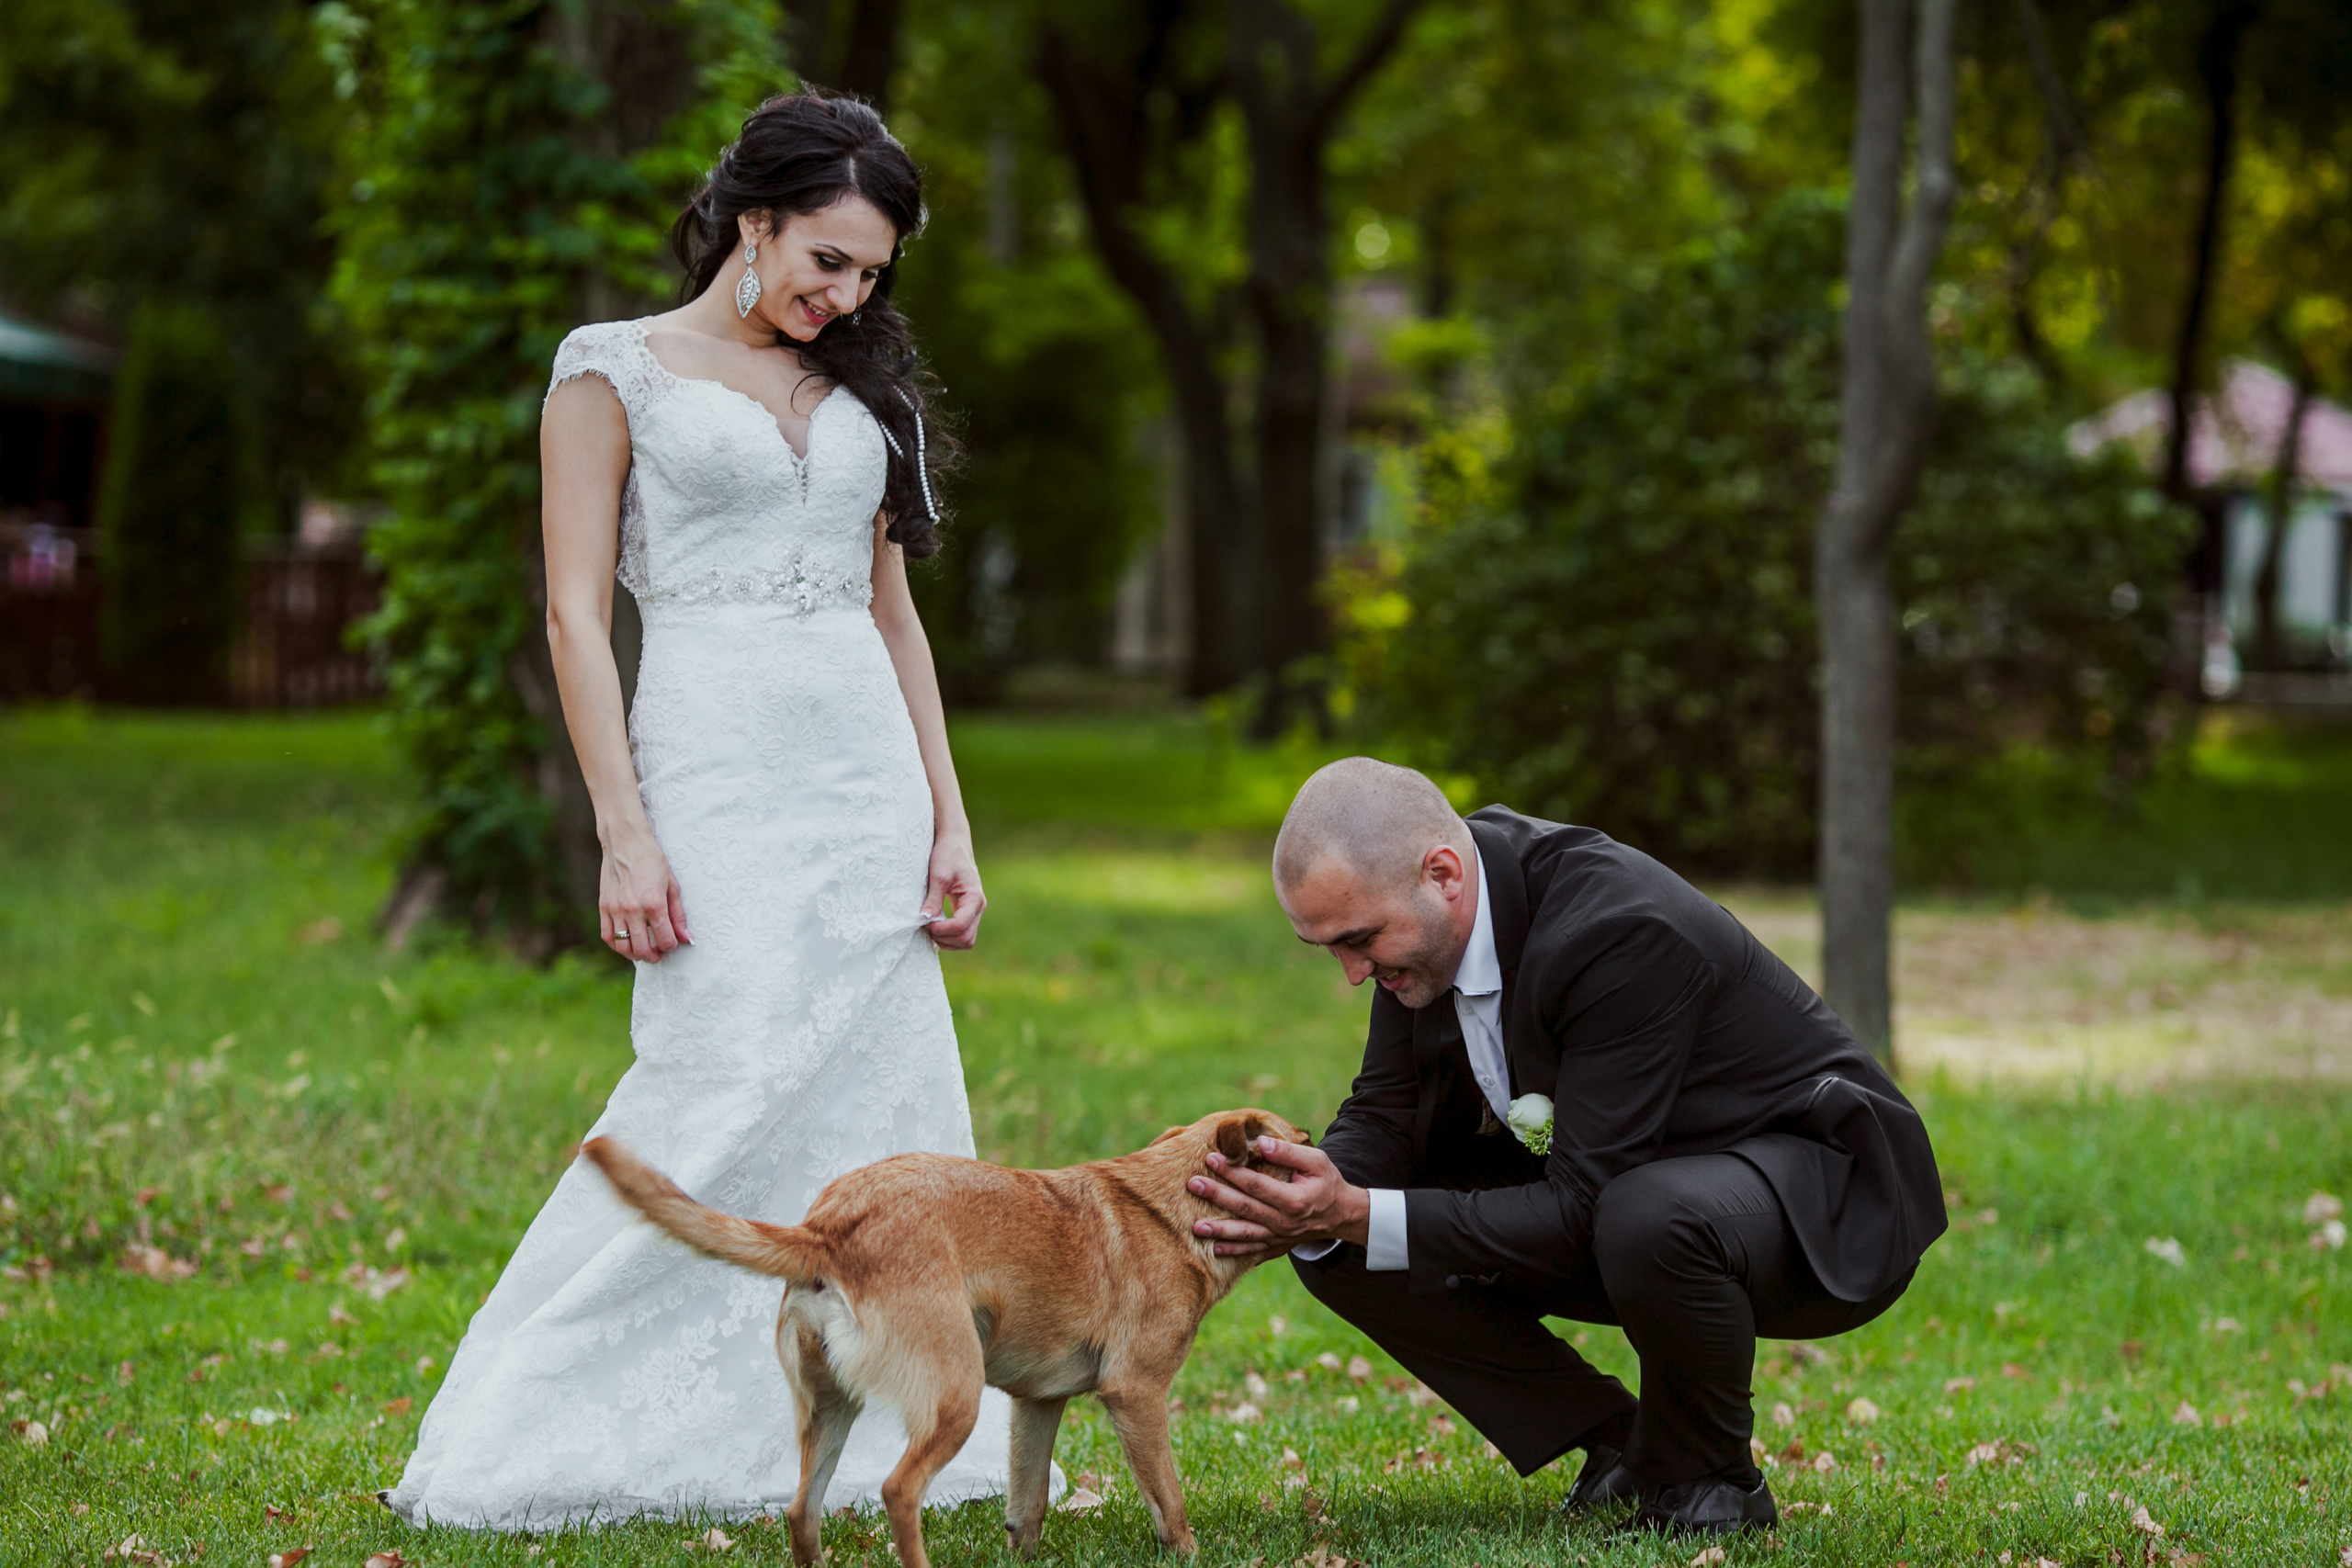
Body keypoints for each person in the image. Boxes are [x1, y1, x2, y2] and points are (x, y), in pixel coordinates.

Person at [386, 91, 1024, 1528]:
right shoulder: (610, 369)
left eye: (869, 274)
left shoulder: (863, 391)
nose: (845, 294)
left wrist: (948, 819)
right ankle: (549, 1419)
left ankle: (876, 1424)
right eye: (826, 260)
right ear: (756, 222)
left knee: (879, 1102)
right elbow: (568, 613)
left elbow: (897, 618)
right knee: (715, 1072)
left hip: (861, 775)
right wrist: (624, 827)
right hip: (711, 762)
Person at [1189, 759, 1945, 1538]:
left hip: (1821, 1197)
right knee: (1344, 1243)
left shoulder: (1618, 927)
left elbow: (1585, 1202)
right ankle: (1626, 1446)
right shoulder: (1427, 932)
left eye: (1359, 939)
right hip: (1639, 1189)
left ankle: (1713, 1482)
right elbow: (1389, 1109)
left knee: (1644, 1215)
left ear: (1442, 874)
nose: (1352, 972)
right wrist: (1305, 1195)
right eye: (1330, 949)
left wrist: (1349, 1209)